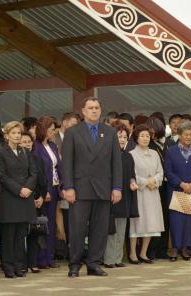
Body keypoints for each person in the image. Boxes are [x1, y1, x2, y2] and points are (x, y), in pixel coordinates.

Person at [61, 97, 122, 277]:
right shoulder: (72, 132)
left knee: (100, 229)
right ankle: (74, 264)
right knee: (77, 229)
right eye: (90, 108)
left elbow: (116, 162)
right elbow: (67, 163)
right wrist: (69, 187)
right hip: (80, 188)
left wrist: (117, 187)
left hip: (103, 188)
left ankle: (94, 263)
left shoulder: (110, 132)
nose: (94, 111)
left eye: (97, 108)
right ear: (83, 111)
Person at [0, 121, 37, 278]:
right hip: (9, 198)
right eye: (14, 133)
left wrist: (28, 188)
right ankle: (8, 266)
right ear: (6, 135)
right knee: (8, 236)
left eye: (19, 133)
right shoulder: (0, 153)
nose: (17, 135)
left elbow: (33, 173)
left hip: (25, 198)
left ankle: (20, 265)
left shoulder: (26, 152)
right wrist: (19, 189)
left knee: (21, 235)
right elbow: (2, 176)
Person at [165, 120, 191, 261]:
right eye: (186, 134)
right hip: (177, 191)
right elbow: (168, 172)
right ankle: (175, 249)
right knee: (177, 221)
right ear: (180, 135)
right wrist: (181, 184)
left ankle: (186, 249)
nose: (189, 137)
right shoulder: (171, 151)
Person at [128, 124, 164, 264]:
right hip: (139, 193)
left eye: (147, 136)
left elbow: (160, 172)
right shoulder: (132, 154)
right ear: (136, 138)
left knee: (150, 223)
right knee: (137, 223)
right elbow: (131, 174)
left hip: (153, 192)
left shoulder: (154, 153)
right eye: (142, 136)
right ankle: (132, 253)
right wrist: (145, 182)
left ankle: (143, 253)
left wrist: (154, 181)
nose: (145, 138)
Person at [104, 123, 138, 268]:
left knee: (121, 229)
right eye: (119, 136)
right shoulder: (107, 155)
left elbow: (131, 175)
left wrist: (133, 182)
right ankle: (108, 259)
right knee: (111, 230)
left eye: (125, 137)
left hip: (125, 197)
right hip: (111, 196)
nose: (122, 139)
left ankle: (118, 259)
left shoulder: (128, 156)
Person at [32, 116, 62, 269]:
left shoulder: (54, 146)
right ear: (43, 130)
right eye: (51, 130)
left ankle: (50, 257)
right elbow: (37, 172)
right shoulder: (35, 147)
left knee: (51, 224)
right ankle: (41, 258)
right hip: (44, 190)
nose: (53, 133)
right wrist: (44, 192)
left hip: (55, 188)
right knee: (42, 224)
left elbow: (57, 167)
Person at [53, 112, 80, 255]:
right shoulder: (54, 139)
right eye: (73, 124)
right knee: (58, 216)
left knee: (72, 217)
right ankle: (61, 249)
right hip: (57, 183)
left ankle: (72, 250)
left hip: (73, 182)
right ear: (64, 122)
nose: (75, 127)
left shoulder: (77, 138)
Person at [19, 132, 46, 273]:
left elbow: (43, 181)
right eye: (24, 142)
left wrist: (41, 196)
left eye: (29, 141)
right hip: (22, 199)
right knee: (22, 233)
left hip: (37, 200)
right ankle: (22, 264)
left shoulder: (38, 159)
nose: (27, 144)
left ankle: (33, 262)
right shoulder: (16, 159)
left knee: (35, 232)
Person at [145, 116, 170, 259]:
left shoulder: (170, 143)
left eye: (155, 129)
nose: (152, 133)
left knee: (166, 218)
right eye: (150, 130)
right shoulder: (147, 145)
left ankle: (163, 249)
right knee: (154, 218)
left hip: (168, 185)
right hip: (153, 185)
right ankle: (151, 250)